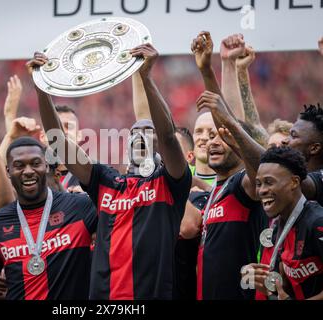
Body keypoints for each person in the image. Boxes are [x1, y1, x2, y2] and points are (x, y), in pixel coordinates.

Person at [29, 43, 191, 300]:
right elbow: (58, 141)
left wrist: (147, 78)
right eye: (136, 132)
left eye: (150, 134)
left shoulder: (169, 183)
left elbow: (170, 137)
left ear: (158, 146)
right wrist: (41, 87)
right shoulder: (107, 181)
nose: (142, 137)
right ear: (126, 144)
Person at [0, 137, 97, 300]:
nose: (28, 171)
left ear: (46, 166)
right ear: (8, 171)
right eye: (19, 165)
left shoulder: (80, 206)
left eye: (35, 163)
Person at [191, 31, 268, 300]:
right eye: (208, 137)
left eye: (220, 138)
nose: (213, 141)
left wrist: (208, 70)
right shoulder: (216, 190)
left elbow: (233, 127)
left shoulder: (243, 186)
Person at [246, 146, 323, 300]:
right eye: (259, 183)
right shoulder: (277, 227)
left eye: (269, 182)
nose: (261, 191)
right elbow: (285, 288)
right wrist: (263, 281)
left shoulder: (317, 223)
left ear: (294, 182)